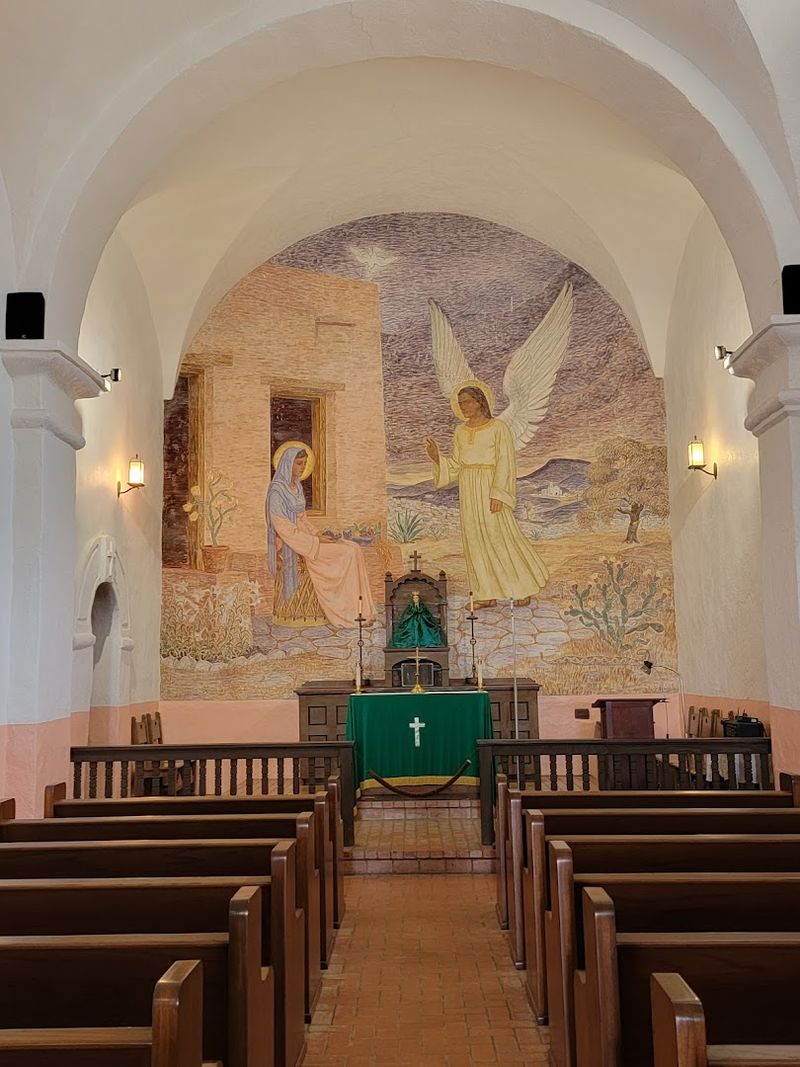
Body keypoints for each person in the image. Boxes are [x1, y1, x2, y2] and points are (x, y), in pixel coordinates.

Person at [425, 382, 548, 607]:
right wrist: (436, 459)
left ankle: (522, 588)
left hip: (490, 486)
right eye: (460, 404)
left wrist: (498, 494)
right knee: (475, 542)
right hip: (468, 488)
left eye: (467, 402)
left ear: (480, 402)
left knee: (501, 538)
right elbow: (455, 465)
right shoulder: (460, 431)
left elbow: (505, 462)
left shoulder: (498, 428)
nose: (463, 407)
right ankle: (484, 594)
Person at [266, 443, 376, 627]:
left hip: (307, 538)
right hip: (291, 544)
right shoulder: (276, 493)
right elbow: (285, 530)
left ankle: (361, 610)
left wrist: (319, 534)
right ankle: (346, 615)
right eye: (299, 463)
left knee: (354, 548)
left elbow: (303, 520)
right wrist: (315, 541)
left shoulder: (297, 487)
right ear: (288, 464)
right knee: (346, 553)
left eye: (304, 464)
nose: (302, 468)